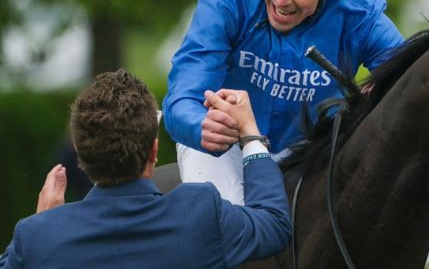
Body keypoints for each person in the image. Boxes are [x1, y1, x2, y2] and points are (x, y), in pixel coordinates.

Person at [162, 0, 405, 205]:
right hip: (227, 147)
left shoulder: (360, 13)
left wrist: (381, 92)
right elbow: (181, 98)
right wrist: (201, 125)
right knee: (228, 221)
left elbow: (413, 78)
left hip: (311, 153)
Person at [0, 69, 291, 269]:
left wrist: (44, 224)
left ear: (80, 152)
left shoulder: (36, 237)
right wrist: (250, 134)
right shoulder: (201, 213)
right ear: (153, 151)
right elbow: (275, 224)